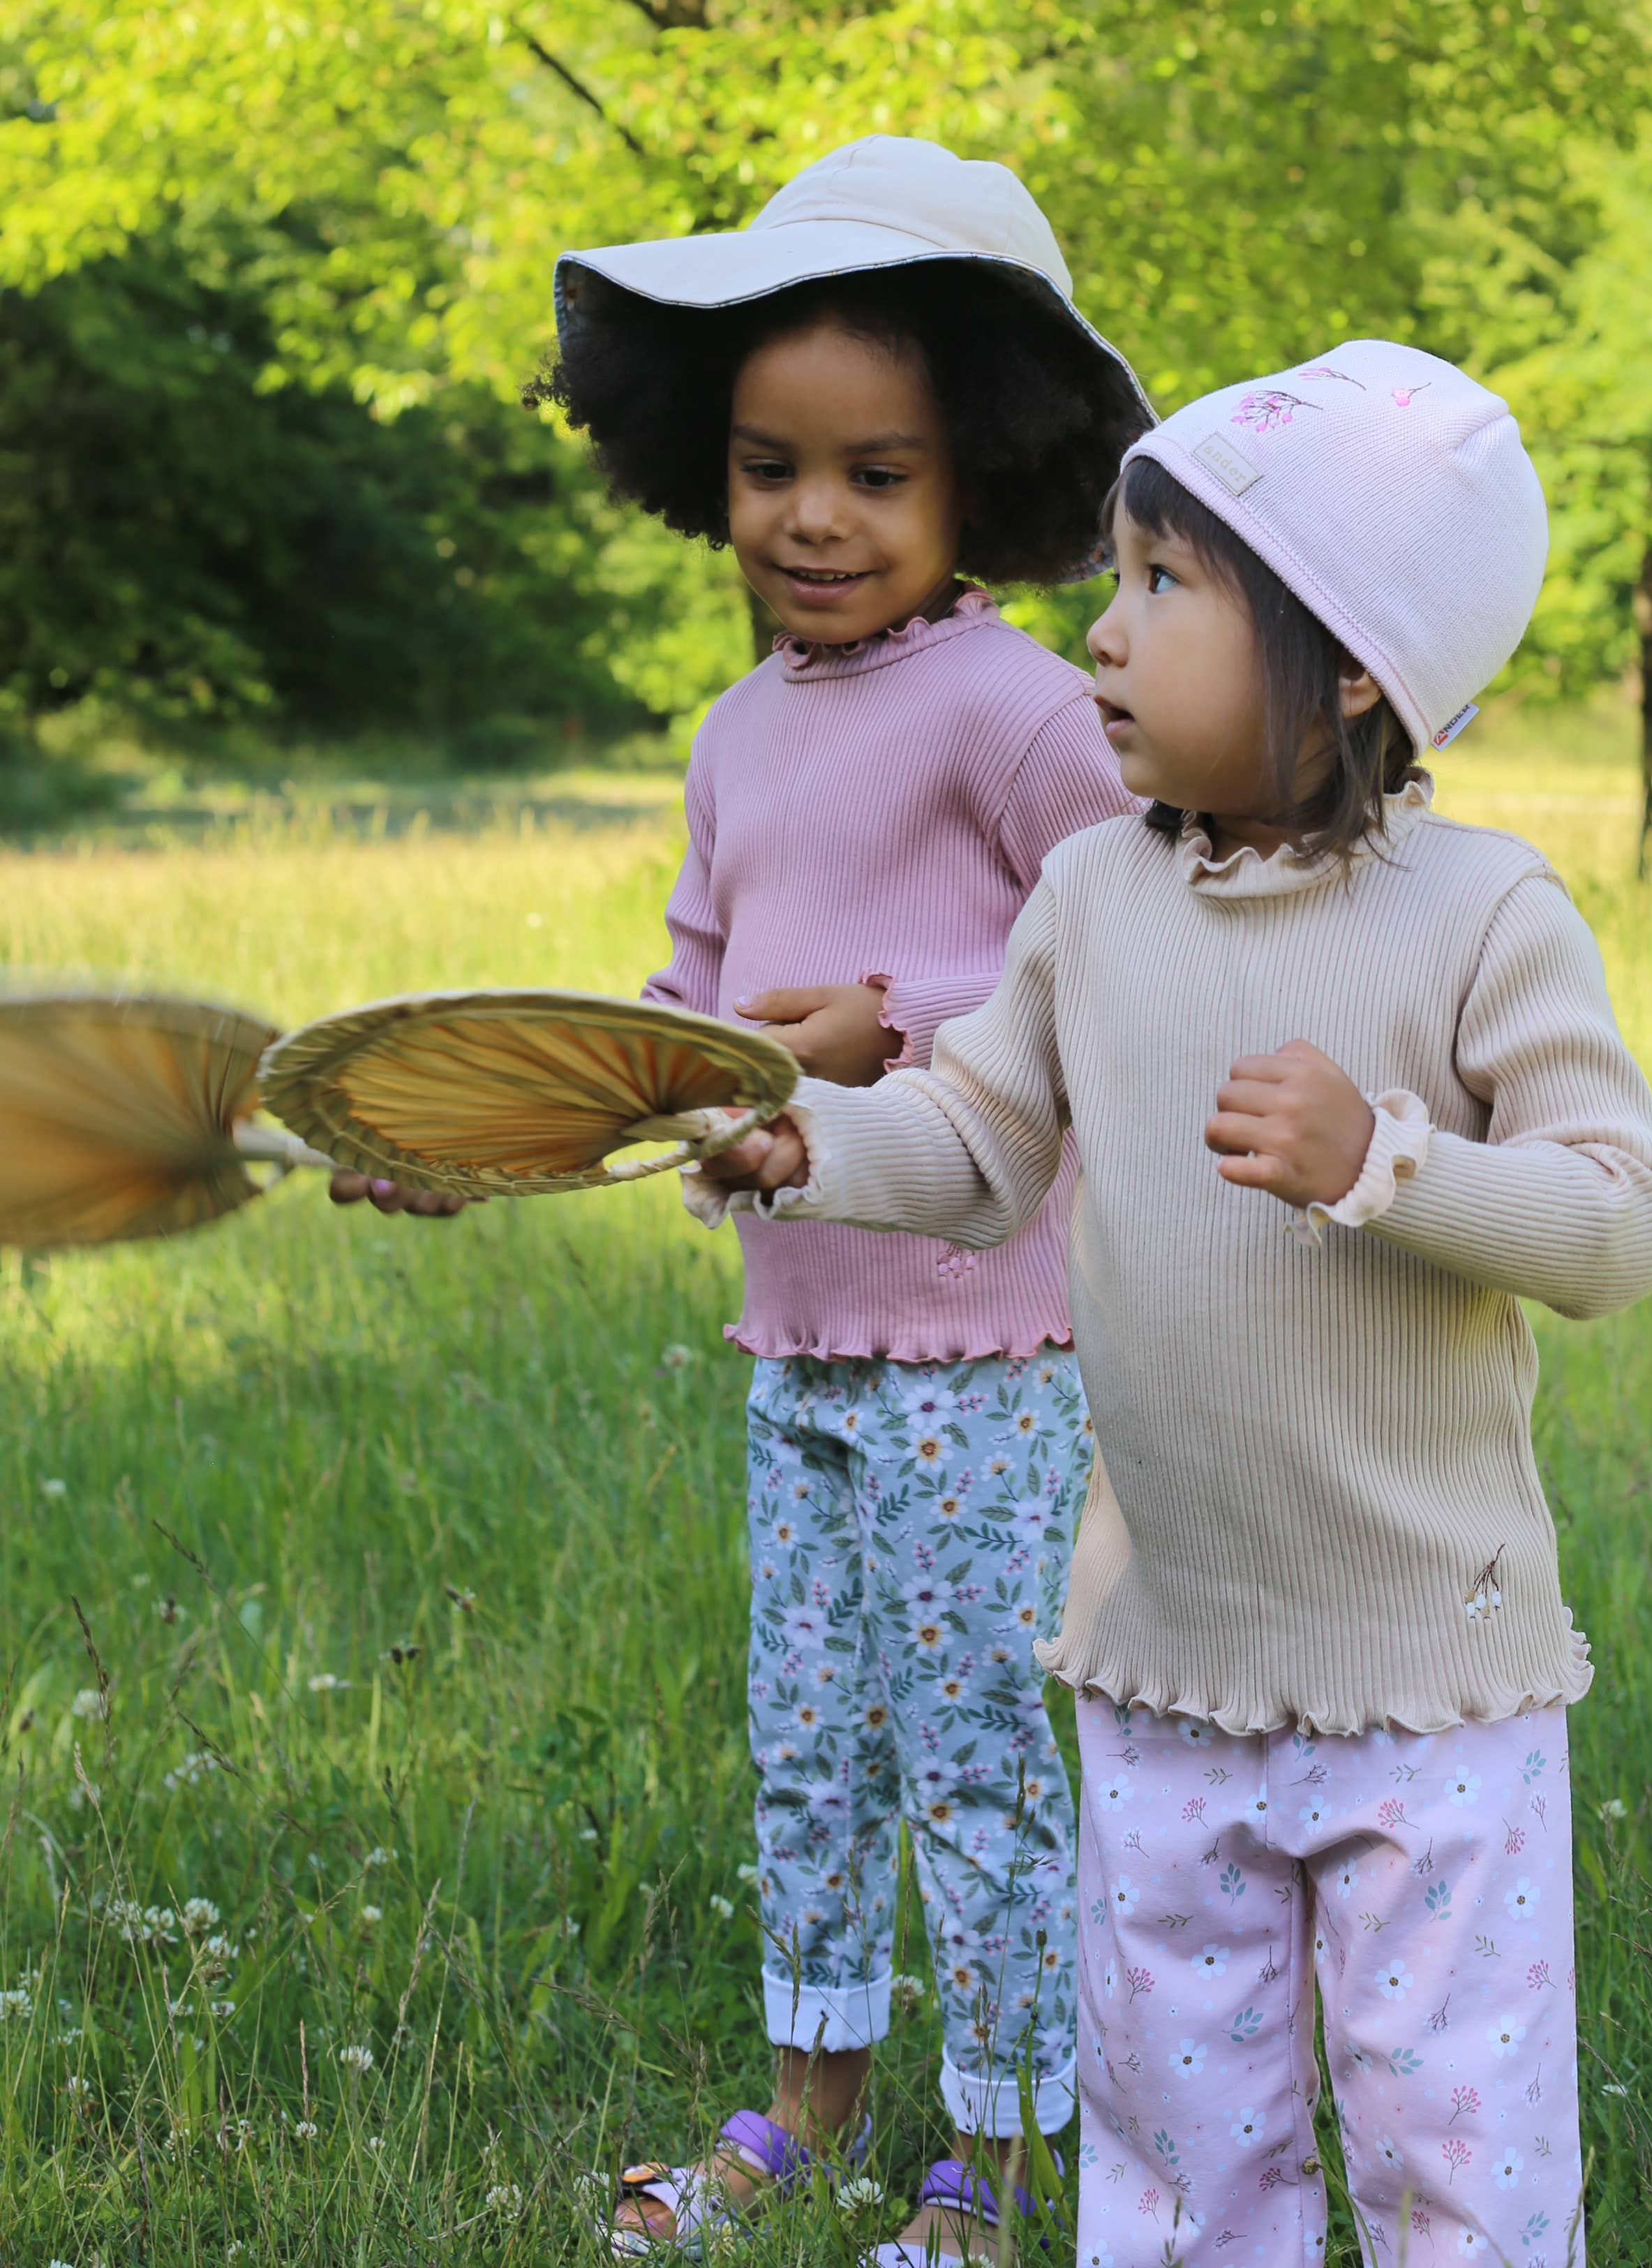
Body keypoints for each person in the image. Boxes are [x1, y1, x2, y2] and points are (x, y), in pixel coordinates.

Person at [701, 341, 1652, 2268]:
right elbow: (981, 1138)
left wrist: (1389, 1163)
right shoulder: (1093, 896)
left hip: (1429, 1683)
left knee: (1456, 2151)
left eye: (1165, 585)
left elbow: (1624, 1221)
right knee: (1175, 2152)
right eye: (1115, 575)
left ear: (1350, 664)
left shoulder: (1484, 915)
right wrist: (807, 1141)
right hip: (1164, 1660)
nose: (1103, 631)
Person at [544, 138, 1149, 2259]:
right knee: (807, 1742)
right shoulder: (734, 733)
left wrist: (890, 1021)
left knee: (975, 1751)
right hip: (794, 1336)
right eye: (769, 467)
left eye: (877, 475)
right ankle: (807, 2107)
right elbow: (685, 1013)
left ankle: (1006, 2154)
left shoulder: (1020, 708)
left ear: (982, 468)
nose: (815, 517)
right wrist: (496, 1121)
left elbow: (1129, 956)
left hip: (987, 1343)